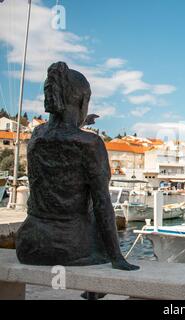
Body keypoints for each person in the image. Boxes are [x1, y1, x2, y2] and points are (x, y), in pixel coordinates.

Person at [16, 62, 138, 272]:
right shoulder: (91, 144)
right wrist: (117, 257)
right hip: (71, 246)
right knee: (93, 219)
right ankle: (93, 294)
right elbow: (102, 204)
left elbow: (60, 135)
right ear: (83, 101)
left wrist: (79, 124)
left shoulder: (36, 136)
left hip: (30, 244)